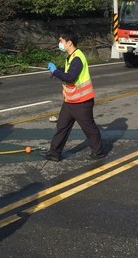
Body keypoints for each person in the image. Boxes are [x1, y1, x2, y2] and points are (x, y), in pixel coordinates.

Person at [44, 30, 106, 162]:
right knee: (62, 126)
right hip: (70, 101)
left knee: (89, 128)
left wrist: (55, 71)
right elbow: (68, 71)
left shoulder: (77, 57)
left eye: (61, 41)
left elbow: (71, 77)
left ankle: (98, 152)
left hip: (82, 102)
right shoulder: (71, 57)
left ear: (69, 42)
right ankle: (54, 153)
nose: (59, 43)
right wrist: (57, 71)